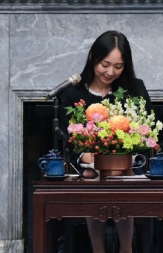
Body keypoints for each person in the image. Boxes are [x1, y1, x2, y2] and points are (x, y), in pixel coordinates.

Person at [58, 30, 152, 253]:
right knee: (95, 173)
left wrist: (121, 156)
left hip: (128, 166)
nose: (110, 72)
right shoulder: (73, 93)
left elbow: (146, 133)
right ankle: (99, 250)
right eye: (105, 64)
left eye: (118, 67)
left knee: (117, 172)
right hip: (87, 166)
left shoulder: (134, 90)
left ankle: (125, 248)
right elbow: (67, 139)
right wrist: (86, 156)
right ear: (92, 58)